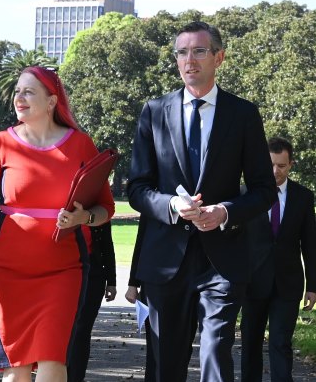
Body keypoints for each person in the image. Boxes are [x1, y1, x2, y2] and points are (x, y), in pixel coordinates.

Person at [127, 21, 276, 382]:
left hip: (222, 260)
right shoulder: (154, 111)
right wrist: (171, 206)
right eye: (182, 52)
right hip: (165, 259)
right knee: (165, 363)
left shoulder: (243, 115)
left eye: (198, 51)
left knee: (215, 352)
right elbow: (137, 188)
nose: (189, 60)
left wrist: (225, 211)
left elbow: (264, 190)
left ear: (218, 58)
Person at [0, 66, 115, 382]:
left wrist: (82, 218)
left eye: (29, 91)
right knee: (14, 371)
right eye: (18, 91)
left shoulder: (81, 144)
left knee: (52, 363)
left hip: (64, 271)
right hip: (6, 273)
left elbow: (106, 208)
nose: (20, 97)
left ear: (51, 102)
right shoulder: (1, 143)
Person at [240, 137, 316, 382]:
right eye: (271, 165)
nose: (276, 171)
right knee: (250, 345)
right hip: (252, 283)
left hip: (288, 284)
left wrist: (313, 287)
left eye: (282, 166)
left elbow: (309, 244)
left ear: (291, 164)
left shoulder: (303, 197)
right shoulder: (245, 193)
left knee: (280, 343)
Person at [67, 221, 117, 382]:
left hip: (93, 276)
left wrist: (112, 281)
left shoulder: (97, 210)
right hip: (63, 274)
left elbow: (107, 245)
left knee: (82, 330)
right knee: (62, 331)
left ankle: (76, 377)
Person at [125, 215, 156, 382]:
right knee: (155, 343)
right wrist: (133, 283)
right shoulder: (152, 199)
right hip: (153, 279)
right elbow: (141, 240)